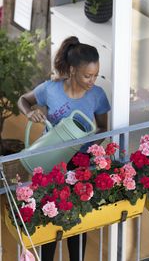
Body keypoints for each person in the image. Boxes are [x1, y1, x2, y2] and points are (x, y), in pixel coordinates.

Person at [17, 36, 111, 261]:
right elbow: (23, 99)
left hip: (79, 163)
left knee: (77, 219)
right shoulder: (50, 89)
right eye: (87, 75)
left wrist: (83, 149)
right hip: (49, 160)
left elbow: (103, 129)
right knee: (49, 217)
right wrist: (30, 112)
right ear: (72, 70)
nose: (92, 80)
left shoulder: (97, 96)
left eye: (96, 75)